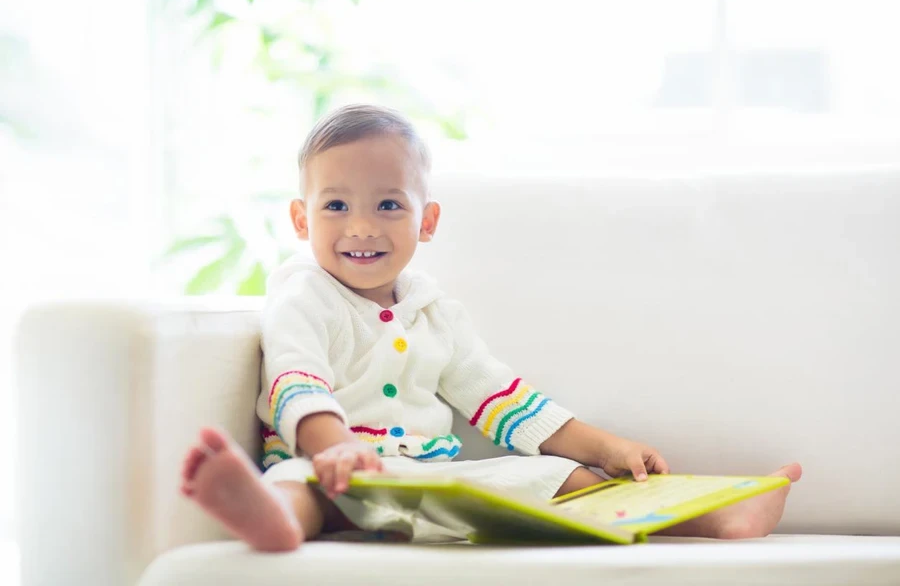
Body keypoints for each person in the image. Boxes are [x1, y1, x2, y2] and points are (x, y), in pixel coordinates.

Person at [180, 104, 802, 551]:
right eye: (336, 205)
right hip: (335, 473)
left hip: (430, 478)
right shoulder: (303, 294)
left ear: (427, 221)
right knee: (298, 485)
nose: (362, 226)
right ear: (299, 217)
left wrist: (605, 447)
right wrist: (333, 445)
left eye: (388, 204)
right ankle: (273, 520)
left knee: (562, 481)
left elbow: (498, 397)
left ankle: (715, 519)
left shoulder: (434, 310)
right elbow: (297, 379)